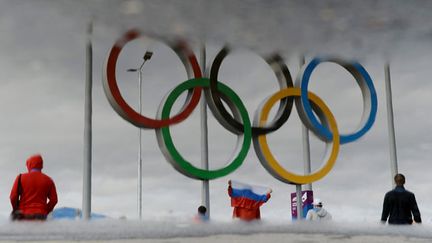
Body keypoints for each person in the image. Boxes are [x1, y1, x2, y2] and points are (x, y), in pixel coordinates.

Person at [10, 154, 58, 220]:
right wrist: (46, 210)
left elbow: (13, 197)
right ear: (41, 165)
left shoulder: (20, 178)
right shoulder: (49, 180)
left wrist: (16, 209)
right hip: (41, 215)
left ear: (28, 165)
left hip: (23, 215)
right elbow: (54, 200)